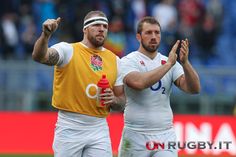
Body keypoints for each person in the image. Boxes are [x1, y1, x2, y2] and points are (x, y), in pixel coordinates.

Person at [32, 10, 125, 157]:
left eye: (105, 26)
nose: (101, 29)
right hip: (70, 126)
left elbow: (121, 102)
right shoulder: (68, 50)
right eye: (96, 25)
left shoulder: (116, 61)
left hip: (99, 127)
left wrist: (114, 100)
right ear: (85, 29)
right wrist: (46, 35)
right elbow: (40, 57)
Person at [118, 16, 201, 157]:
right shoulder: (128, 61)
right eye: (148, 33)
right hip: (135, 134)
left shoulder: (167, 61)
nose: (154, 37)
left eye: (157, 33)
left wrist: (185, 63)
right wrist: (168, 65)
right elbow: (139, 83)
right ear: (138, 37)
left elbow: (194, 89)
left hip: (165, 134)